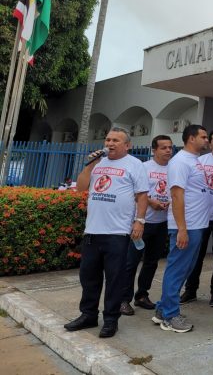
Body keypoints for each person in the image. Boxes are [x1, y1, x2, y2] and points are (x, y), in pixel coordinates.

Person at [64, 127, 148, 339]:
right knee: (89, 277)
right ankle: (88, 315)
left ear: (127, 145)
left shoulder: (135, 165)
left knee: (114, 280)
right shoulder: (98, 162)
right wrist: (90, 165)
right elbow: (82, 188)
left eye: (116, 140)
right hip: (92, 231)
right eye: (108, 139)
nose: (110, 143)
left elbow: (142, 195)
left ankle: (111, 320)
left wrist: (139, 221)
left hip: (117, 233)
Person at [152, 125, 209, 333]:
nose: (207, 140)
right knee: (177, 270)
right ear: (191, 138)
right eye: (203, 136)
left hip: (196, 225)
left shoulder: (195, 161)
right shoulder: (180, 162)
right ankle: (170, 315)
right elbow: (177, 196)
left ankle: (162, 309)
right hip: (187, 226)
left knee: (183, 269)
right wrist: (182, 229)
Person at [181, 129, 213, 307]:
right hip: (201, 217)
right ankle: (190, 290)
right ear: (210, 143)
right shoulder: (200, 162)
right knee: (197, 255)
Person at [120, 135, 173, 315]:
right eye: (163, 147)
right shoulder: (143, 167)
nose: (168, 151)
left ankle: (142, 295)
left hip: (162, 223)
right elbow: (135, 193)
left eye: (170, 147)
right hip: (142, 223)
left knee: (151, 262)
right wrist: (151, 202)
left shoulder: (174, 168)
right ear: (154, 150)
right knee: (131, 262)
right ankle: (123, 299)